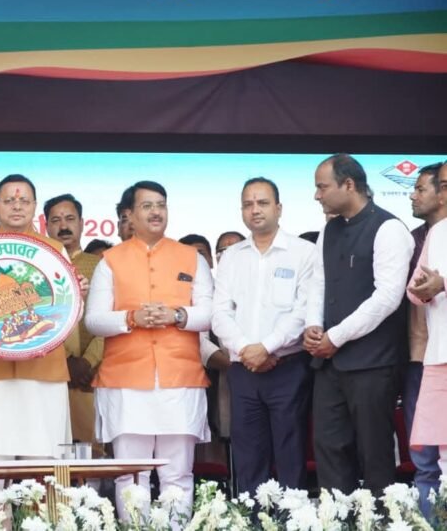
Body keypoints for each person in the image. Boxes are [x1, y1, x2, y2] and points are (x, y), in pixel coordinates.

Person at [86, 180, 212, 521]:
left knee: (178, 474)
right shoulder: (110, 261)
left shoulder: (192, 258)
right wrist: (132, 318)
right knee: (131, 474)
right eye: (147, 206)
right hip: (125, 381)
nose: (156, 212)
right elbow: (94, 320)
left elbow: (210, 313)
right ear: (129, 214)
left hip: (180, 378)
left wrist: (178, 315)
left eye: (161, 205)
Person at [0, 175, 83, 491]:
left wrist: (76, 296)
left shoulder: (54, 250)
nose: (17, 206)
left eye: (24, 201)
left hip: (43, 371)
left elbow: (70, 314)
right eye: (9, 201)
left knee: (44, 462)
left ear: (35, 207)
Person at [304, 154, 414, 495]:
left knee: (374, 452)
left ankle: (380, 517)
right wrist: (313, 325)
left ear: (348, 184)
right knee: (329, 449)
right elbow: (318, 283)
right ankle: (337, 517)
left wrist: (336, 336)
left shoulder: (389, 228)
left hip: (373, 363)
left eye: (322, 187)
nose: (317, 195)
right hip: (329, 363)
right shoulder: (329, 230)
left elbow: (387, 298)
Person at [212, 177, 315, 494]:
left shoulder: (304, 252)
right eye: (248, 204)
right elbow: (220, 313)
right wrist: (247, 349)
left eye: (262, 203)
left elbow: (304, 311)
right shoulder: (232, 256)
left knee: (290, 453)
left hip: (288, 369)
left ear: (279, 208)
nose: (255, 210)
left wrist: (267, 347)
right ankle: (251, 517)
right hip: (243, 370)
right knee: (248, 456)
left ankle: (292, 517)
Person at [44, 194, 104, 450]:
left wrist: (87, 362)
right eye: (56, 220)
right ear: (46, 226)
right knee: (49, 449)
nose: (63, 226)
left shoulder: (100, 266)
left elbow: (108, 317)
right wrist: (62, 360)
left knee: (90, 453)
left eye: (69, 219)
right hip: (46, 372)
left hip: (89, 375)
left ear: (82, 223)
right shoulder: (37, 266)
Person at [406, 161, 447, 516]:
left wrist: (443, 283)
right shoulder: (439, 232)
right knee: (441, 458)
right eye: (444, 185)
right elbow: (414, 289)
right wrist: (422, 289)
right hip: (439, 355)